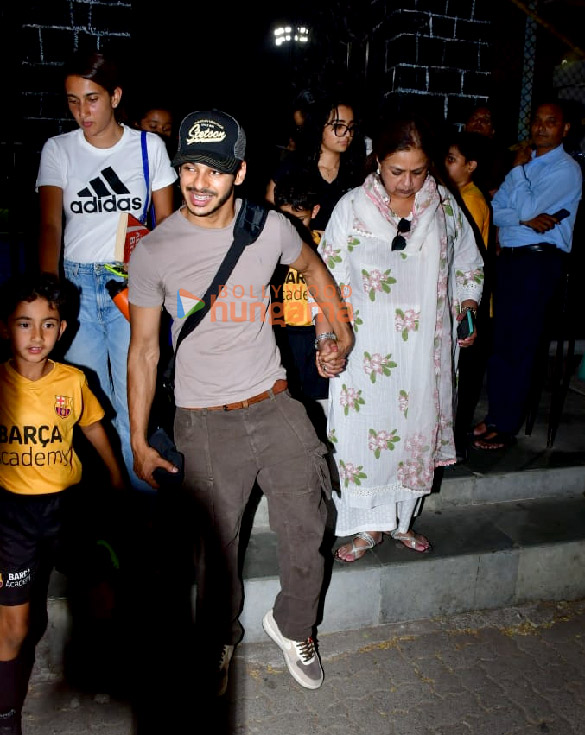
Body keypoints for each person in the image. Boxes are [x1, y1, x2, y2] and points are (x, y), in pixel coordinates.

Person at [127, 109, 354, 700]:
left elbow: (313, 267)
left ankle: (292, 625)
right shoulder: (154, 250)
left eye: (216, 170)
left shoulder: (269, 228)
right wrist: (137, 437)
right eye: (190, 168)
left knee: (310, 517)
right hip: (202, 420)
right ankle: (219, 634)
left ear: (241, 173)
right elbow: (145, 351)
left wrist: (341, 330)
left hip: (273, 400)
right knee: (216, 545)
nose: (200, 182)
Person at [314, 113, 484, 562]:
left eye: (418, 171)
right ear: (377, 161)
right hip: (365, 347)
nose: (408, 183)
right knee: (361, 437)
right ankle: (368, 528)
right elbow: (325, 279)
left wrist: (467, 307)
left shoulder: (444, 207)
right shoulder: (351, 207)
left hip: (424, 348)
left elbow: (468, 263)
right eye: (397, 171)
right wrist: (325, 339)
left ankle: (402, 521)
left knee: (414, 434)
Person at [35, 49, 177, 491]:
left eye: (92, 99)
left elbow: (169, 226)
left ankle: (141, 500)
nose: (82, 111)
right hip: (75, 287)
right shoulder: (58, 149)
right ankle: (114, 496)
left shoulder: (146, 146)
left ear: (115, 96)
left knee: (133, 398)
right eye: (73, 100)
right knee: (88, 402)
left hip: (131, 285)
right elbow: (51, 223)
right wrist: (48, 297)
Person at [0, 272, 125, 735]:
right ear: (5, 328)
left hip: (66, 507)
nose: (37, 336)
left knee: (102, 594)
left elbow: (94, 429)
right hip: (12, 516)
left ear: (64, 329)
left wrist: (115, 478)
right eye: (24, 324)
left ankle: (106, 662)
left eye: (48, 325)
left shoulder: (73, 381)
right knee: (12, 629)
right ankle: (7, 713)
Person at [473, 100, 583, 450]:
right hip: (513, 258)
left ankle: (504, 427)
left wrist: (520, 188)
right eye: (536, 121)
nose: (540, 127)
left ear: (565, 129)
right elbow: (498, 210)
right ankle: (495, 418)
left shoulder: (565, 169)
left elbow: (525, 207)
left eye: (551, 122)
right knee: (501, 344)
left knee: (520, 346)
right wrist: (523, 218)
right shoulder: (526, 164)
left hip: (538, 261)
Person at [443, 131, 493, 461]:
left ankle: (455, 445)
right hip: (461, 304)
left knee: (461, 381)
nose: (445, 166)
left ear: (471, 166)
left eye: (451, 160)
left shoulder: (469, 203)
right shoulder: (458, 196)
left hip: (465, 306)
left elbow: (464, 260)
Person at [273, 169, 330, 438]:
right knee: (290, 394)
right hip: (283, 330)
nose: (293, 228)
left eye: (300, 219)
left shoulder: (327, 242)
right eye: (287, 219)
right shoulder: (271, 242)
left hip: (316, 330)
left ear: (315, 211)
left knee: (321, 393)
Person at [266, 94, 366, 235]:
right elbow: (268, 216)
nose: (347, 134)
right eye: (338, 126)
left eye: (351, 127)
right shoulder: (292, 167)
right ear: (319, 126)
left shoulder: (355, 171)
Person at [464, 103, 513, 198]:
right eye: (474, 118)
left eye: (485, 120)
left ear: (493, 131)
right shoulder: (453, 151)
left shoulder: (501, 157)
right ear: (465, 126)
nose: (479, 122)